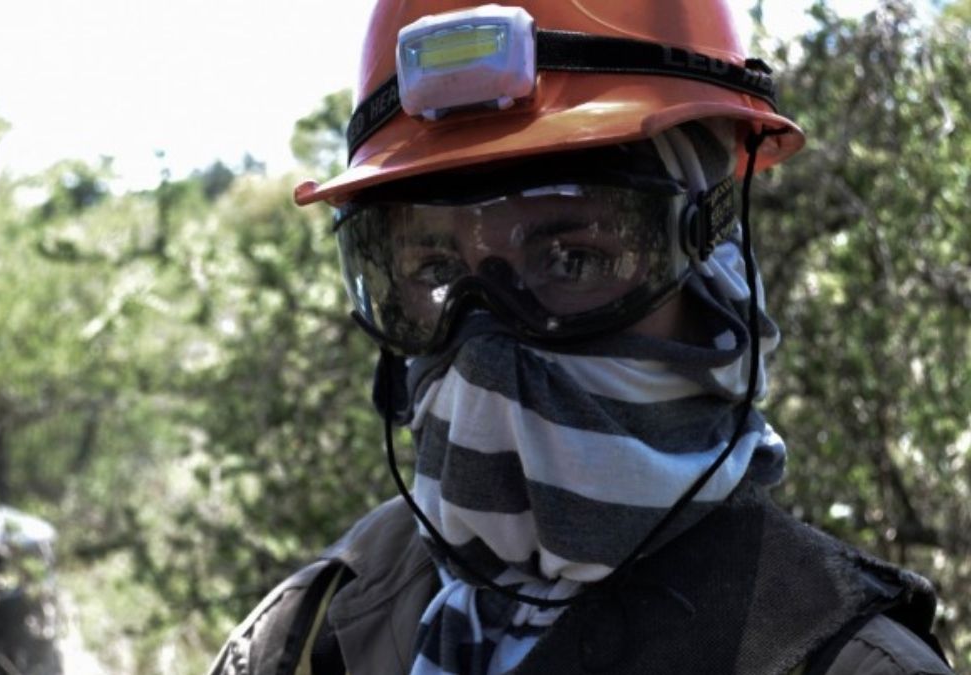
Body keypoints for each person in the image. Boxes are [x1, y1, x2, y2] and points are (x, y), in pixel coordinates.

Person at [210, 1, 954, 673]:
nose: (487, 340)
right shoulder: (311, 633)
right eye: (434, 268)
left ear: (716, 272)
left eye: (572, 258)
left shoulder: (841, 660)